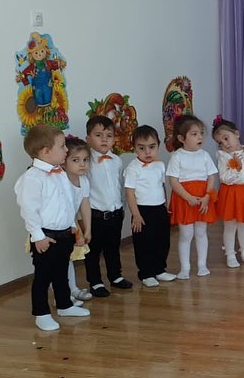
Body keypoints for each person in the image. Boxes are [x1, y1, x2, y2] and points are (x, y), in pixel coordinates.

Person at [14, 124, 90, 331]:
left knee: (61, 273)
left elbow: (67, 203)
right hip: (46, 236)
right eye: (62, 146)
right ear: (46, 151)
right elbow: (29, 210)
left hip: (65, 233)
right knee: (43, 276)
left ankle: (65, 305)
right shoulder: (32, 178)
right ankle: (41, 313)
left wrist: (74, 227)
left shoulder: (59, 173)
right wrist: (38, 236)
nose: (66, 150)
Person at [84, 115, 133, 297]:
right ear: (88, 139)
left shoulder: (117, 160)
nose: (104, 140)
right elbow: (83, 192)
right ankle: (95, 281)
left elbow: (119, 185)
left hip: (115, 213)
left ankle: (115, 275)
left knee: (113, 247)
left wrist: (122, 207)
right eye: (98, 135)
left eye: (109, 136)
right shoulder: (86, 162)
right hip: (95, 215)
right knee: (93, 250)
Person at [167, 114, 218, 279]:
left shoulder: (204, 155)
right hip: (185, 199)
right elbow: (174, 181)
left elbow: (211, 177)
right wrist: (188, 197)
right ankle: (185, 268)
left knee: (201, 232)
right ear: (182, 138)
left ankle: (202, 265)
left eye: (201, 133)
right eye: (194, 134)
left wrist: (207, 196)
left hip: (203, 199)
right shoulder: (177, 156)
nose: (200, 137)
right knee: (186, 234)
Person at [124, 125, 175, 287]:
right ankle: (146, 273)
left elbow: (161, 186)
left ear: (158, 146)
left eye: (152, 147)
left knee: (162, 241)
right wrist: (136, 215)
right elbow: (130, 193)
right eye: (142, 148)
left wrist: (165, 205)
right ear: (134, 148)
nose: (147, 152)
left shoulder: (160, 165)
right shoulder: (133, 168)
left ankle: (159, 269)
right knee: (144, 243)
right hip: (142, 211)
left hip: (159, 208)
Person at [212, 117, 244, 268]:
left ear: (237, 134)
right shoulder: (223, 156)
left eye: (226, 138)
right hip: (230, 193)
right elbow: (224, 178)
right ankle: (230, 254)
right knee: (230, 226)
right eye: (220, 142)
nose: (225, 144)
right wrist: (236, 166)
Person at [63, 136, 93, 304]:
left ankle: (72, 289)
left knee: (69, 259)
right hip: (60, 226)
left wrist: (88, 228)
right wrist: (78, 231)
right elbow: (66, 209)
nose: (82, 164)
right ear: (63, 162)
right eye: (76, 160)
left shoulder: (83, 180)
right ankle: (62, 294)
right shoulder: (61, 181)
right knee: (59, 262)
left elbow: (85, 205)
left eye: (85, 160)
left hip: (72, 225)